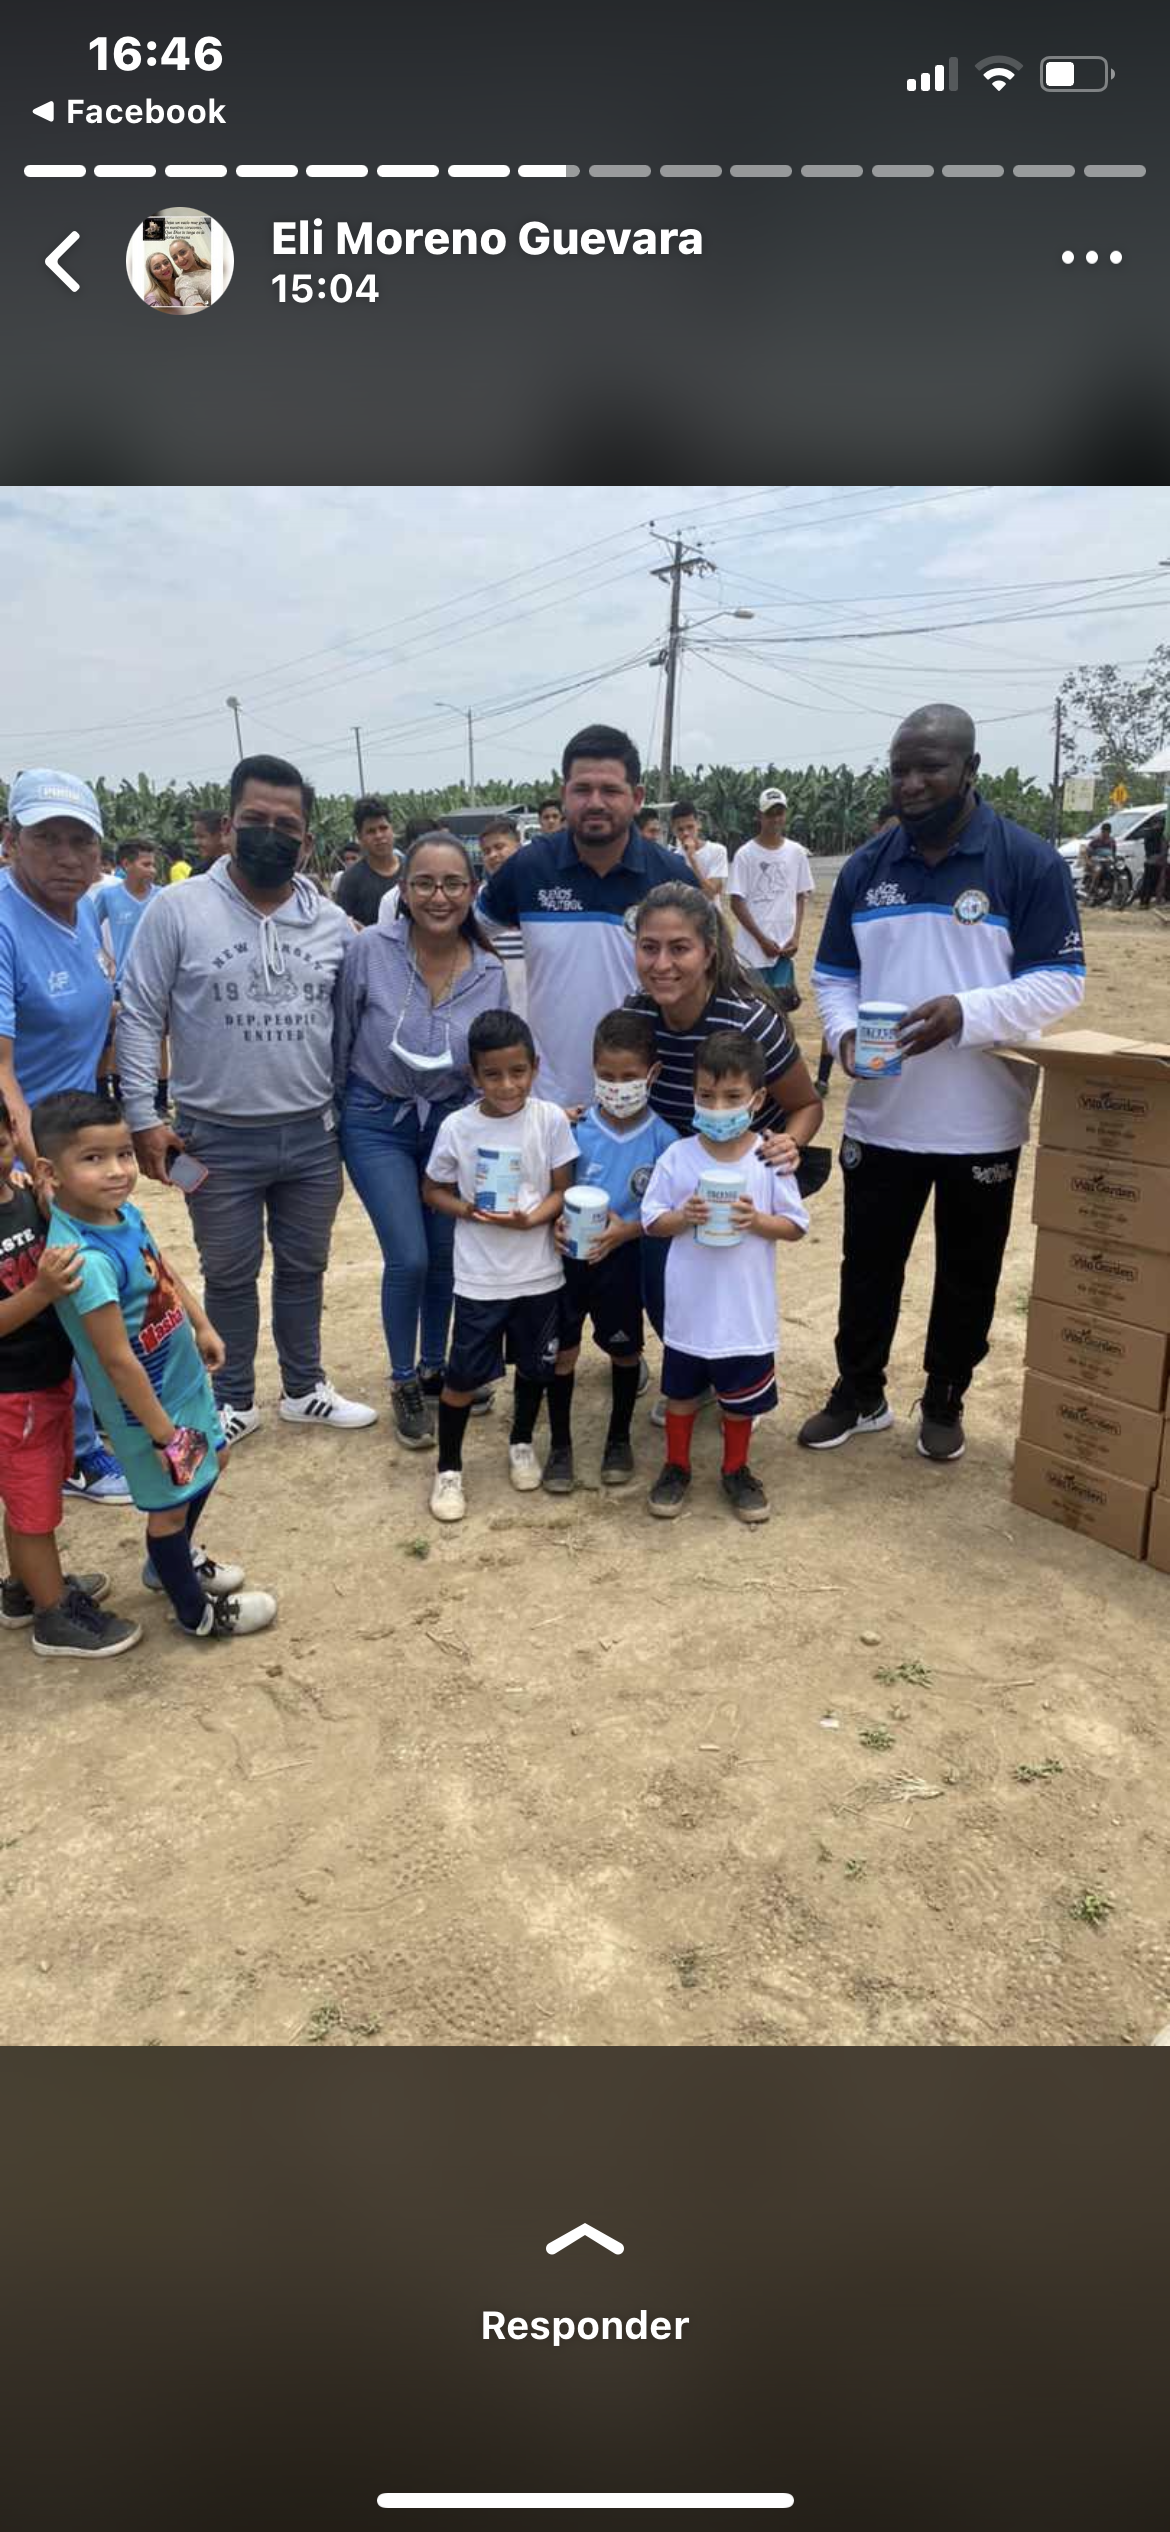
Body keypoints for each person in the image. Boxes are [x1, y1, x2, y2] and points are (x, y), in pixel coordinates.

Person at [805, 702, 1086, 1464]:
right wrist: (843, 1034)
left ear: (969, 770)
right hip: (882, 1115)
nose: (912, 783)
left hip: (980, 1121)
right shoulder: (868, 867)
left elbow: (1061, 981)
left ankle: (945, 1395)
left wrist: (968, 1012)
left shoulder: (1027, 862)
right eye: (900, 769)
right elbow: (833, 975)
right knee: (868, 1267)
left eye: (930, 767)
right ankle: (858, 1391)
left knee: (968, 1271)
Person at [116, 752, 377, 1443]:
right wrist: (142, 1117)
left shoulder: (330, 923)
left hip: (312, 1135)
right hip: (214, 1138)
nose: (270, 834)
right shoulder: (177, 911)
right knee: (229, 1274)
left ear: (307, 841)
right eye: (255, 819)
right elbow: (139, 1015)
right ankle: (232, 1399)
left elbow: (351, 1023)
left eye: (285, 825)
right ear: (229, 825)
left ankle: (305, 1387)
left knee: (305, 1267)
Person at [37, 1091, 277, 1641]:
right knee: (169, 1509)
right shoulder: (85, 1261)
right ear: (52, 1171)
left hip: (181, 1380)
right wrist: (164, 1435)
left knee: (215, 1456)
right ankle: (198, 1615)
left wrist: (201, 1323)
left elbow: (160, 1269)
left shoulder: (122, 1214)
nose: (117, 1170)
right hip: (146, 1412)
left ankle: (169, 1564)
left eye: (123, 1153)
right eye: (93, 1158)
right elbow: (115, 1360)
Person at [335, 830, 509, 1448]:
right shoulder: (370, 951)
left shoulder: (488, 969)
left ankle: (437, 1366)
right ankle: (403, 1377)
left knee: (444, 1255)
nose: (440, 896)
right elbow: (341, 1035)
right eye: (425, 883)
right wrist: (336, 1114)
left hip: (450, 1124)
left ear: (473, 890)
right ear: (404, 891)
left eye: (454, 883)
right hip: (375, 1119)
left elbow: (493, 1055)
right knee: (407, 1255)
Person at [0, 766, 130, 1502]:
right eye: (47, 838)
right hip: (25, 1153)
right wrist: (36, 1167)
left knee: (96, 1279)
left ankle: (91, 1424)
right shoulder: (4, 921)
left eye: (82, 842)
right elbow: (1, 1070)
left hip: (73, 1141)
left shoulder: (85, 913)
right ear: (11, 840)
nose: (67, 857)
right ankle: (76, 1455)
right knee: (57, 1291)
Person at [641, 1032, 808, 1526]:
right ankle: (676, 1466)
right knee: (681, 1396)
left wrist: (757, 1221)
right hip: (690, 1310)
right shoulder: (679, 1157)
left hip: (744, 1313)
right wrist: (683, 1216)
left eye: (733, 1097)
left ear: (757, 1099)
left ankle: (736, 1469)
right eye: (706, 1095)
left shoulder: (769, 1158)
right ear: (693, 1093)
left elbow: (795, 1225)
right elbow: (651, 1220)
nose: (718, 1108)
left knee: (740, 1402)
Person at [478, 725, 689, 1109]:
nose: (595, 802)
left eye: (610, 790)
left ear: (637, 798)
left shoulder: (673, 877)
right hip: (550, 1104)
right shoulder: (528, 867)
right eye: (582, 790)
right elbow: (464, 936)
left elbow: (711, 973)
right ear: (564, 795)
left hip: (646, 1102)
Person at [422, 1010, 578, 1522]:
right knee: (463, 1376)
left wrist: (534, 1217)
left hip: (539, 1273)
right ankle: (449, 1468)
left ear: (535, 1067)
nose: (507, 1085)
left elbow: (562, 1189)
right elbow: (433, 1190)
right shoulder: (458, 1127)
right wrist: (468, 1210)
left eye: (518, 1072)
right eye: (492, 1074)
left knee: (535, 1367)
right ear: (473, 1075)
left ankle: (521, 1441)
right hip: (481, 1277)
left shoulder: (549, 1120)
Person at [0, 1097, 140, 1657]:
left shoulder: (21, 1196)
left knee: (31, 1498)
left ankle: (26, 1589)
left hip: (48, 1379)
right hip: (12, 1394)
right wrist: (40, 1292)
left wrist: (42, 1190)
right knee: (34, 1510)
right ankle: (54, 1616)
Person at [552, 1008, 676, 1489]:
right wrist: (554, 1224)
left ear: (652, 1074)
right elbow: (552, 1190)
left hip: (623, 1263)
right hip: (568, 1263)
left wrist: (628, 1232)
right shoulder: (573, 1129)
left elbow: (668, 1215)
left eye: (629, 1077)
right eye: (607, 1076)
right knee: (563, 1353)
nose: (617, 1087)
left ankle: (618, 1439)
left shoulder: (665, 1141)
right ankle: (560, 1447)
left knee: (624, 1352)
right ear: (593, 1071)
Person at [814, 802, 898, 1096]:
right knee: (839, 1023)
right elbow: (833, 981)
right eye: (891, 830)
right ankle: (822, 1077)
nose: (896, 837)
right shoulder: (860, 868)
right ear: (877, 829)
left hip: (885, 986)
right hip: (855, 966)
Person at [94, 837, 167, 1115]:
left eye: (153, 865)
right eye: (146, 864)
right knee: (116, 1038)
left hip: (157, 981)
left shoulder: (162, 897)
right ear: (126, 864)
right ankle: (113, 1097)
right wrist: (104, 956)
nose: (152, 870)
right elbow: (87, 929)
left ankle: (160, 1099)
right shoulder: (109, 897)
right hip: (122, 981)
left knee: (159, 1039)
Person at [729, 789, 814, 996]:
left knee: (782, 1002)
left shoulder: (796, 852)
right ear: (759, 816)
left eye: (780, 813)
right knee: (754, 1002)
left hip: (783, 949)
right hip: (752, 951)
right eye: (770, 814)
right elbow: (736, 902)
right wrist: (762, 940)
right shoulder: (745, 854)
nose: (775, 819)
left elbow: (800, 895)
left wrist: (795, 937)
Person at [477, 818, 528, 1018]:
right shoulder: (477, 902)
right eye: (486, 851)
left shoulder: (541, 895)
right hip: (494, 1010)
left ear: (518, 847)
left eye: (499, 847)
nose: (493, 855)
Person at [334, 797, 402, 927]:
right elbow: (343, 926)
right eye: (371, 831)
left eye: (383, 828)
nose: (379, 836)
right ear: (360, 837)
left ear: (392, 829)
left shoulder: (412, 870)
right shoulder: (351, 880)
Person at [670, 801, 729, 903]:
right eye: (680, 829)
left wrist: (692, 860)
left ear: (698, 824)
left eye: (690, 827)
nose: (686, 833)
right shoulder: (673, 858)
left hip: (710, 912)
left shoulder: (717, 851)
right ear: (674, 830)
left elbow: (711, 893)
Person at [171, 237, 213, 309]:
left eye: (182, 252)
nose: (180, 260)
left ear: (192, 249)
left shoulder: (204, 262)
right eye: (175, 257)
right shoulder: (183, 282)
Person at [1136, 816, 1167, 910]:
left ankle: (1143, 903)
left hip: (1149, 860)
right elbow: (1163, 847)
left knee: (1147, 882)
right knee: (1152, 883)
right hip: (1156, 861)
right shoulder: (1160, 834)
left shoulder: (1149, 833)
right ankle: (1145, 902)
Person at [1085, 822, 1117, 906]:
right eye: (1104, 831)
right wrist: (1088, 861)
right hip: (1096, 861)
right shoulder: (1096, 840)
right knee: (1098, 870)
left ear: (1110, 832)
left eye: (1107, 831)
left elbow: (1114, 853)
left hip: (1107, 862)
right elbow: (1087, 851)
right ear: (1102, 831)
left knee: (1114, 871)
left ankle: (1109, 889)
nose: (1105, 833)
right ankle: (1092, 890)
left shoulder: (1112, 841)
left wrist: (1114, 860)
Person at [191, 808, 231, 875]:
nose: (196, 843)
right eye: (195, 837)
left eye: (201, 836)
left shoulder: (241, 868)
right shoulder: (200, 872)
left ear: (221, 834)